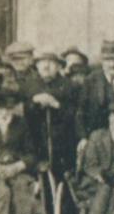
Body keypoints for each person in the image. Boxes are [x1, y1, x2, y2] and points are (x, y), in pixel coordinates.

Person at [23, 49, 76, 179]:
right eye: (42, 63)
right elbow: (22, 113)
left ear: (58, 66)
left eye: (51, 63)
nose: (46, 66)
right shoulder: (28, 85)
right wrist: (34, 101)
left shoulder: (69, 86)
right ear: (36, 65)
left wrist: (55, 104)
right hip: (36, 142)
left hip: (62, 144)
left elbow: (74, 114)